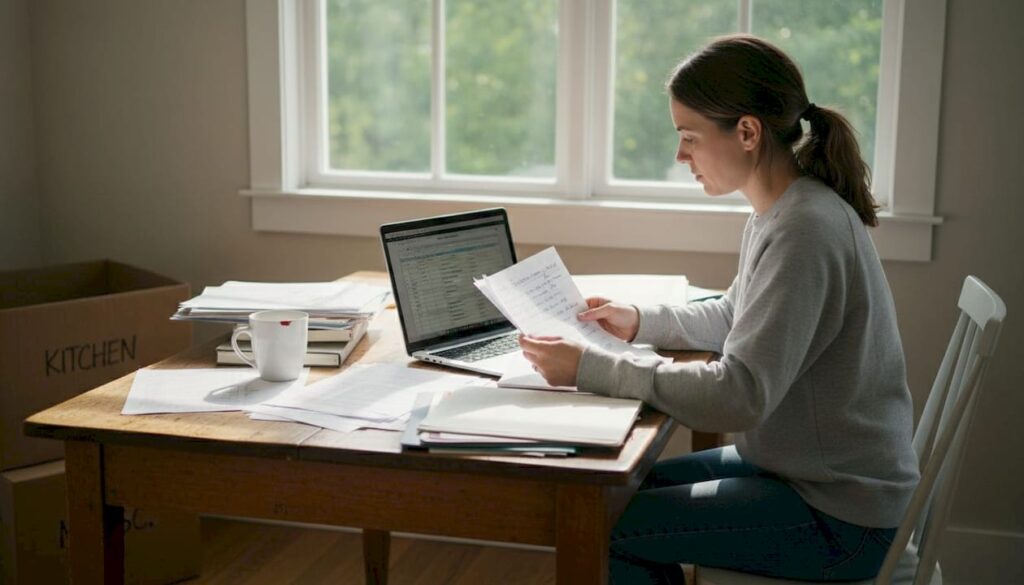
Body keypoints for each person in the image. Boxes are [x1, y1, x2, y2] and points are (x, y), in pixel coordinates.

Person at [519, 34, 920, 584]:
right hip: (801, 475)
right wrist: (639, 320)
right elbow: (736, 314)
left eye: (689, 137)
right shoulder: (780, 212)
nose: (680, 155)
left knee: (603, 527)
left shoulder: (805, 229)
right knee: (610, 493)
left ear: (748, 132)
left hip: (839, 518)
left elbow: (739, 394)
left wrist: (591, 367)